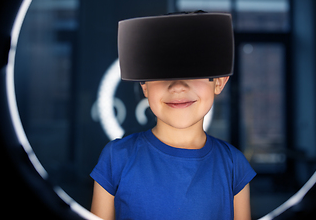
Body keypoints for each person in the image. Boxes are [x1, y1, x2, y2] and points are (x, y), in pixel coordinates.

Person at [90, 12, 256, 220]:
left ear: (219, 82)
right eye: (163, 71)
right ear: (144, 85)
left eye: (194, 69)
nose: (178, 86)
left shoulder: (233, 165)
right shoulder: (116, 158)